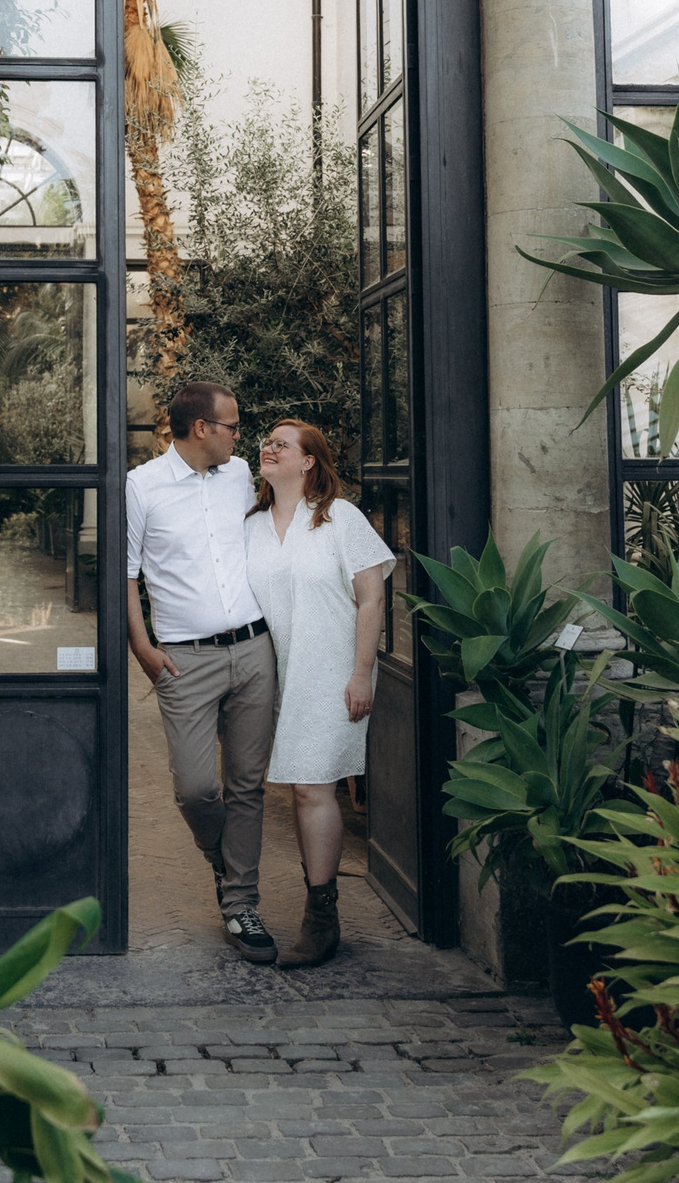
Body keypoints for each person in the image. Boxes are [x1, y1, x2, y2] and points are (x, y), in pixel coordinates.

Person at [125, 382, 280, 964]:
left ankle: (241, 904)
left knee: (247, 785)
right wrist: (143, 647)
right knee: (195, 789)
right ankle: (226, 860)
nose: (240, 434)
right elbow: (127, 575)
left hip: (253, 648)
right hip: (184, 659)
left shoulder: (241, 475)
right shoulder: (142, 487)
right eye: (232, 425)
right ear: (200, 430)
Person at [245, 419, 393, 968]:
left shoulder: (339, 519)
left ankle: (321, 917)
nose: (268, 447)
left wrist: (361, 673)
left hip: (332, 671)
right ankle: (317, 903)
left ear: (309, 461)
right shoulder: (253, 524)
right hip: (275, 674)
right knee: (298, 791)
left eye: (281, 444)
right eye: (265, 441)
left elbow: (372, 599)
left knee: (311, 789)